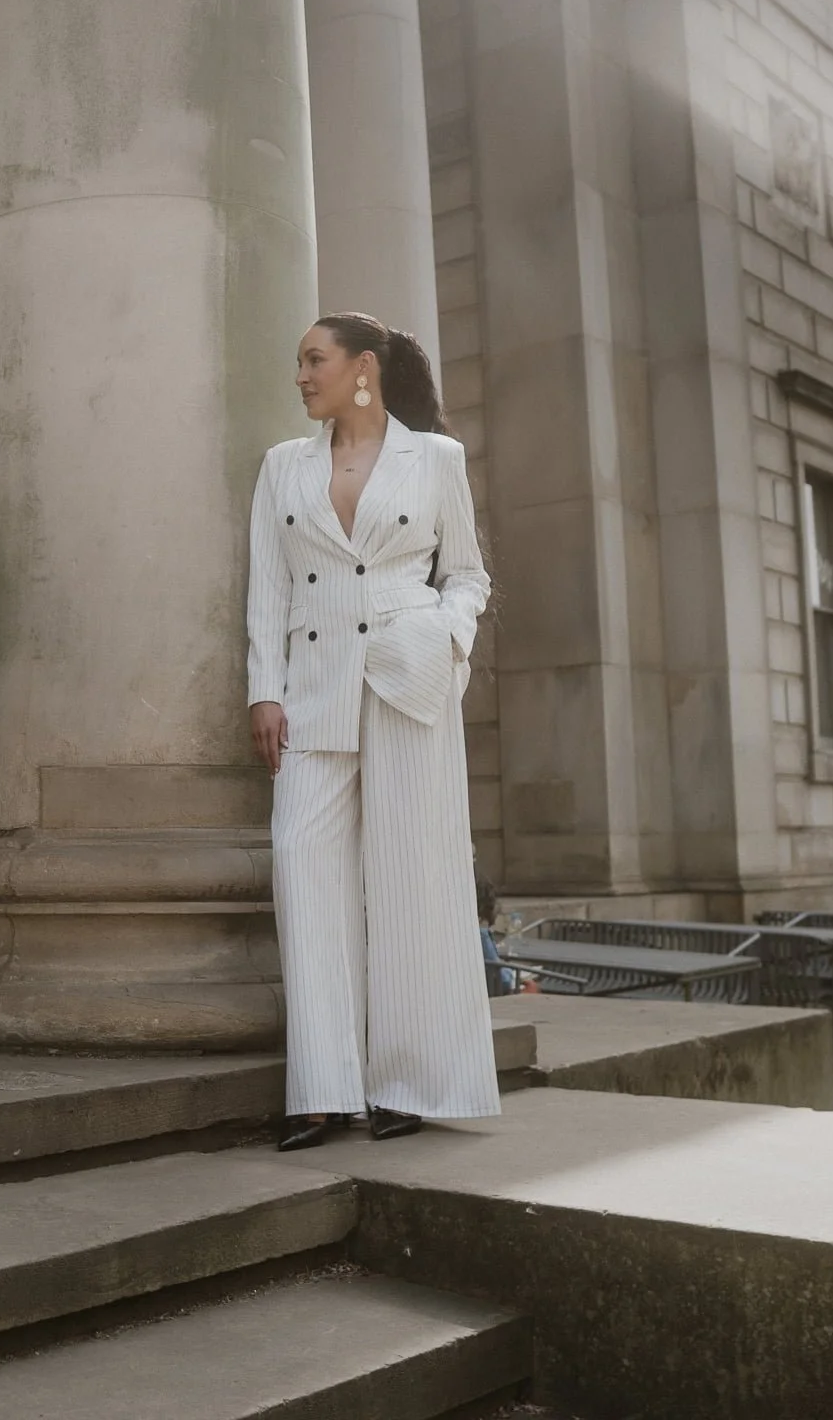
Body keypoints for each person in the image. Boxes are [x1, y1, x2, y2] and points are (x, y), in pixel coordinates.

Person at [246, 312, 501, 1150]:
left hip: (407, 681)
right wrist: (264, 691)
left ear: (362, 368)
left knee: (409, 886)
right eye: (297, 361)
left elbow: (465, 573)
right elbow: (269, 590)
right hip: (312, 694)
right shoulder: (283, 466)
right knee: (303, 871)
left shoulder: (436, 460)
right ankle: (319, 1089)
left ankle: (408, 1082)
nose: (300, 375)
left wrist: (447, 633)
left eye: (312, 359)